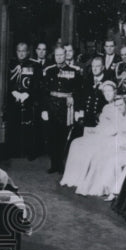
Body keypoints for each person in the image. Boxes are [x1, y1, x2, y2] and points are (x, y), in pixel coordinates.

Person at [41, 45, 84, 174]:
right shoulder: (49, 71)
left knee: (63, 136)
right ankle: (54, 164)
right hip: (52, 106)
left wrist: (76, 107)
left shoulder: (75, 71)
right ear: (54, 56)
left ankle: (61, 164)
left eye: (61, 55)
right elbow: (44, 92)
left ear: (66, 55)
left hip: (67, 108)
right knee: (52, 136)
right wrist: (44, 109)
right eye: (57, 55)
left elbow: (78, 91)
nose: (59, 58)